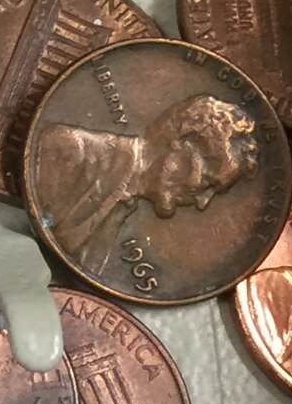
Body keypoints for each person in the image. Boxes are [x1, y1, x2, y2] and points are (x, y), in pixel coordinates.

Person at [31, 91, 259, 270]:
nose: (203, 202)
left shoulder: (122, 211)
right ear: (182, 143)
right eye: (208, 182)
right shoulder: (66, 148)